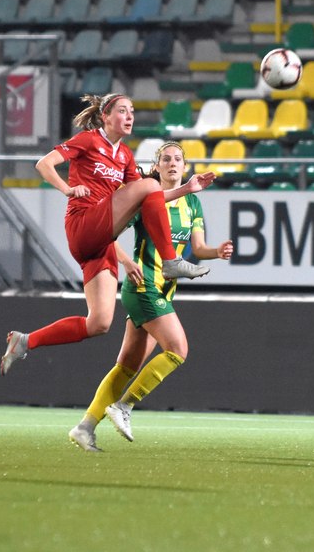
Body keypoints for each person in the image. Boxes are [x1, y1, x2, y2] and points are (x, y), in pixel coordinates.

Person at [0, 94, 213, 375]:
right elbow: (44, 164)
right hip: (83, 223)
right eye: (122, 111)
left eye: (132, 111)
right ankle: (171, 261)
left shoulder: (124, 155)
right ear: (105, 117)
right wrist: (67, 189)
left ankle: (25, 341)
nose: (130, 117)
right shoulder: (89, 140)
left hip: (100, 244)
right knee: (148, 185)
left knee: (98, 323)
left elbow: (152, 199)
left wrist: (186, 189)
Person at [68, 141, 233, 452]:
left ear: (186, 167)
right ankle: (124, 406)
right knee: (178, 349)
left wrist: (216, 252)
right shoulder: (147, 197)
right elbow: (106, 234)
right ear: (156, 167)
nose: (172, 163)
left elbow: (197, 249)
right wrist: (126, 262)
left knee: (126, 366)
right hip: (143, 286)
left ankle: (85, 426)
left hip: (163, 290)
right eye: (166, 159)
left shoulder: (192, 204)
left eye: (178, 159)